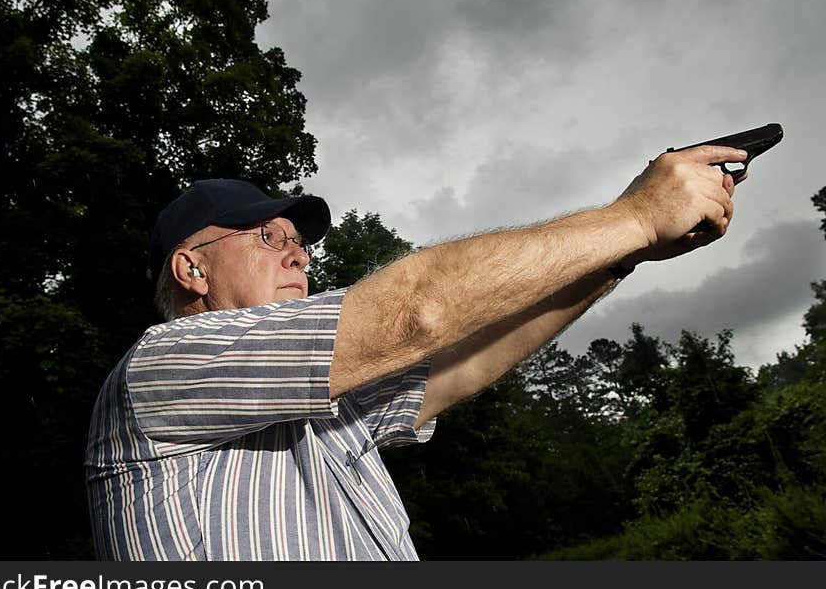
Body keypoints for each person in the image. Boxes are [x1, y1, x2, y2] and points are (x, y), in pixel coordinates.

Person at [85, 144, 747, 560]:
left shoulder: (319, 407)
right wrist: (635, 215)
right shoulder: (158, 371)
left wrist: (625, 253)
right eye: (267, 235)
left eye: (299, 240)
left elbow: (464, 363)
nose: (299, 252)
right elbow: (418, 311)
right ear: (191, 271)